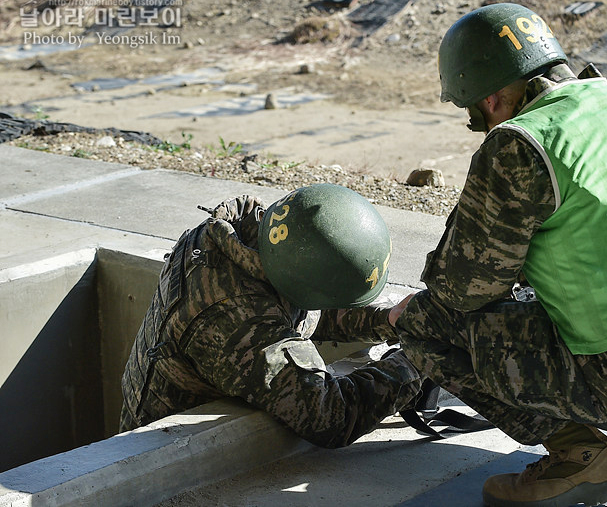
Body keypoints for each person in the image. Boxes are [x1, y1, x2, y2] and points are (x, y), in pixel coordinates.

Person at [326, 3, 607, 506]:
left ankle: (579, 456)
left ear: (496, 96)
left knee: (424, 325)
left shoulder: (522, 144)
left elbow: (462, 291)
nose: (477, 125)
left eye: (474, 113)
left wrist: (401, 311)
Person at [119, 184, 422, 449]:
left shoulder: (262, 239)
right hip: (163, 458)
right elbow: (330, 416)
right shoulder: (239, 320)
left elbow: (303, 308)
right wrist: (416, 363)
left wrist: (387, 319)